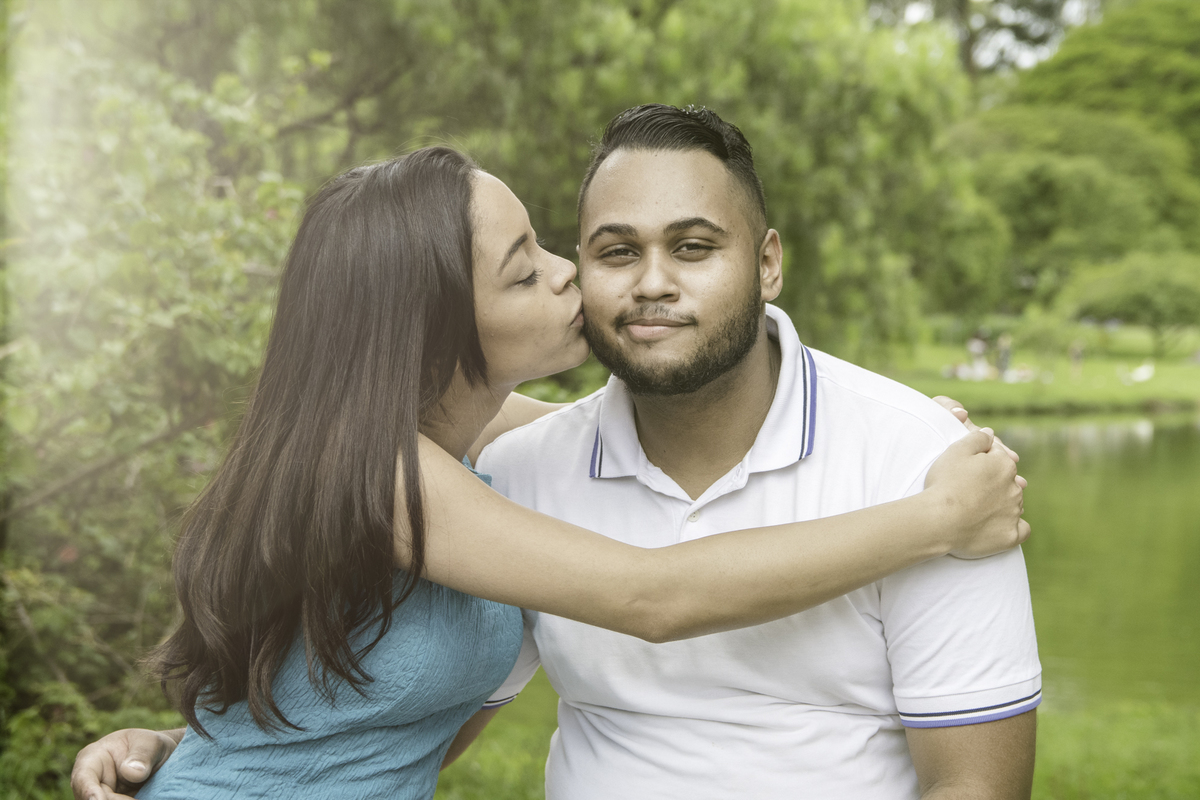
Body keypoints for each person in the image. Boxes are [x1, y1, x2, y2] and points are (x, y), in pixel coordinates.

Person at [72, 144, 1026, 800]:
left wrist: (888, 435)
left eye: (549, 247)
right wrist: (934, 515)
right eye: (525, 272)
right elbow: (656, 596)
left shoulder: (471, 442)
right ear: (436, 331)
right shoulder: (392, 479)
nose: (575, 273)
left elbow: (632, 423)